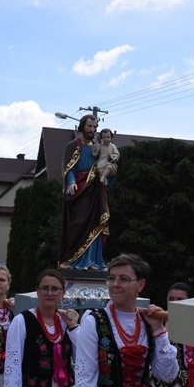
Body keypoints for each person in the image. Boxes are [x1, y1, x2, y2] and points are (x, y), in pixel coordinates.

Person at [68, 253, 178, 387]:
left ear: (140, 285)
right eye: (111, 278)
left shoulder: (149, 320)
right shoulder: (94, 320)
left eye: (124, 279)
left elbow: (167, 374)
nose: (115, 284)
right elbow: (84, 380)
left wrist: (159, 332)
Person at [2, 270, 80, 387]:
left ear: (62, 293)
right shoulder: (22, 321)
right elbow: (12, 364)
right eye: (45, 288)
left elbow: (83, 358)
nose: (50, 293)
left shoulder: (65, 322)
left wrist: (74, 327)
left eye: (55, 289)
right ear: (37, 292)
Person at [59, 115, 114, 271]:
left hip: (95, 190)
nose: (92, 130)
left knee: (95, 223)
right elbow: (68, 169)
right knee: (78, 225)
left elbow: (105, 166)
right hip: (79, 191)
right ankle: (73, 260)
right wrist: (71, 183)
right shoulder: (73, 145)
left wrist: (112, 173)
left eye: (94, 127)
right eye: (89, 126)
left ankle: (93, 261)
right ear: (82, 127)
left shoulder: (99, 147)